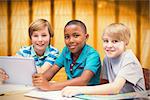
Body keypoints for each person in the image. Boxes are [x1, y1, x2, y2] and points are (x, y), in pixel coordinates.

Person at [61, 23, 146, 97]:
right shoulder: (107, 58)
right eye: (106, 41)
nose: (109, 45)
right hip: (117, 97)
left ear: (126, 42)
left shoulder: (129, 60)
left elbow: (115, 88)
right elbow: (104, 82)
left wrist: (78, 89)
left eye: (115, 41)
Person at [32, 20, 101, 91]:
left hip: (89, 94)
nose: (71, 40)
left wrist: (50, 86)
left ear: (86, 37)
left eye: (76, 36)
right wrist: (40, 80)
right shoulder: (66, 51)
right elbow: (52, 71)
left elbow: (83, 81)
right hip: (70, 93)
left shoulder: (93, 55)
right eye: (67, 37)